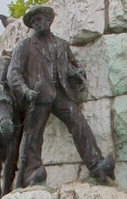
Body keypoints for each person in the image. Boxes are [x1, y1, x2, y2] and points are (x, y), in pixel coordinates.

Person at [7, 5, 113, 186]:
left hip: (61, 94)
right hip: (38, 96)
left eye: (40, 19)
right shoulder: (24, 46)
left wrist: (77, 74)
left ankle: (96, 165)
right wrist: (25, 91)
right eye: (34, 22)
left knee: (79, 124)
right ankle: (33, 173)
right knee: (34, 136)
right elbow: (13, 74)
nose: (38, 23)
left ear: (49, 20)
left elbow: (73, 67)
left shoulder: (62, 45)